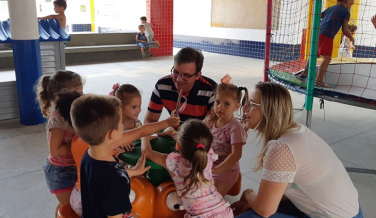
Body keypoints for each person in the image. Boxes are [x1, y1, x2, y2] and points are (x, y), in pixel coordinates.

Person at [232, 82, 363, 218]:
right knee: (255, 208)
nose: (244, 108)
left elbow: (265, 210)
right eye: (246, 102)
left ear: (270, 110)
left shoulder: (282, 147)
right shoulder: (298, 131)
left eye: (252, 103)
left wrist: (248, 194)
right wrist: (257, 203)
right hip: (351, 212)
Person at [70, 94, 180, 218]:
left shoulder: (89, 155)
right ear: (112, 134)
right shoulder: (116, 181)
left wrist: (167, 122)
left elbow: (141, 131)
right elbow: (115, 214)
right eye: (120, 123)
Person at [141, 119, 234, 218]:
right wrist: (172, 133)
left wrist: (144, 135)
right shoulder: (207, 156)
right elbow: (193, 143)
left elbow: (146, 152)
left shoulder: (175, 164)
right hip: (224, 212)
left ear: (177, 145)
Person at [35, 70, 83, 212]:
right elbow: (55, 151)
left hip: (75, 166)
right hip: (61, 172)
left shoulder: (73, 112)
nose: (80, 98)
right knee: (69, 209)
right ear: (60, 97)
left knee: (76, 204)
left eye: (81, 94)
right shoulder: (58, 120)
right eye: (77, 95)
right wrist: (78, 146)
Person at [145, 47, 217, 128]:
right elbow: (150, 120)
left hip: (199, 136)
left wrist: (178, 135)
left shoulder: (212, 91)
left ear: (197, 75)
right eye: (175, 72)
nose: (179, 80)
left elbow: (212, 129)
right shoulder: (162, 86)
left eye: (186, 75)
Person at [204, 81, 248, 196]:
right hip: (208, 165)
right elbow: (195, 133)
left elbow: (236, 155)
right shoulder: (210, 120)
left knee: (213, 198)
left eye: (226, 104)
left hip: (226, 170)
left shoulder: (235, 127)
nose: (220, 107)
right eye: (217, 102)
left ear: (237, 106)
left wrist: (217, 170)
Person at [298, 0, 354, 88]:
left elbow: (318, 16)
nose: (353, 3)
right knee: (327, 58)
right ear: (347, 1)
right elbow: (345, 30)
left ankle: (305, 73)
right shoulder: (346, 12)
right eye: (352, 1)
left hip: (318, 32)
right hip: (327, 35)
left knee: (313, 54)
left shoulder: (330, 8)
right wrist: (351, 37)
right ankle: (319, 80)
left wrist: (322, 24)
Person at [109, 83, 143, 155]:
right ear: (120, 107)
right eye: (134, 107)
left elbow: (145, 137)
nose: (139, 110)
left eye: (139, 106)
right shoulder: (113, 127)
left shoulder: (138, 123)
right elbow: (106, 145)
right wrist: (119, 143)